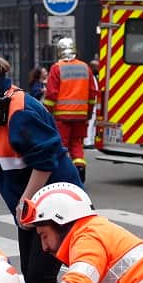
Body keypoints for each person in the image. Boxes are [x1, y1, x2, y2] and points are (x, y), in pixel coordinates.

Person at [0, 48, 82, 283]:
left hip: (56, 208)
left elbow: (45, 162)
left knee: (40, 278)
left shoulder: (19, 112)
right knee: (31, 275)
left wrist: (23, 202)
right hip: (32, 210)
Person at [43, 38, 97, 182]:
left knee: (62, 146)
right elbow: (92, 94)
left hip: (62, 116)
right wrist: (88, 113)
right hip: (81, 116)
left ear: (59, 51)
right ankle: (80, 172)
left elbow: (51, 95)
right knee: (77, 145)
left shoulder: (56, 68)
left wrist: (46, 113)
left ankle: (63, 176)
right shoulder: (86, 67)